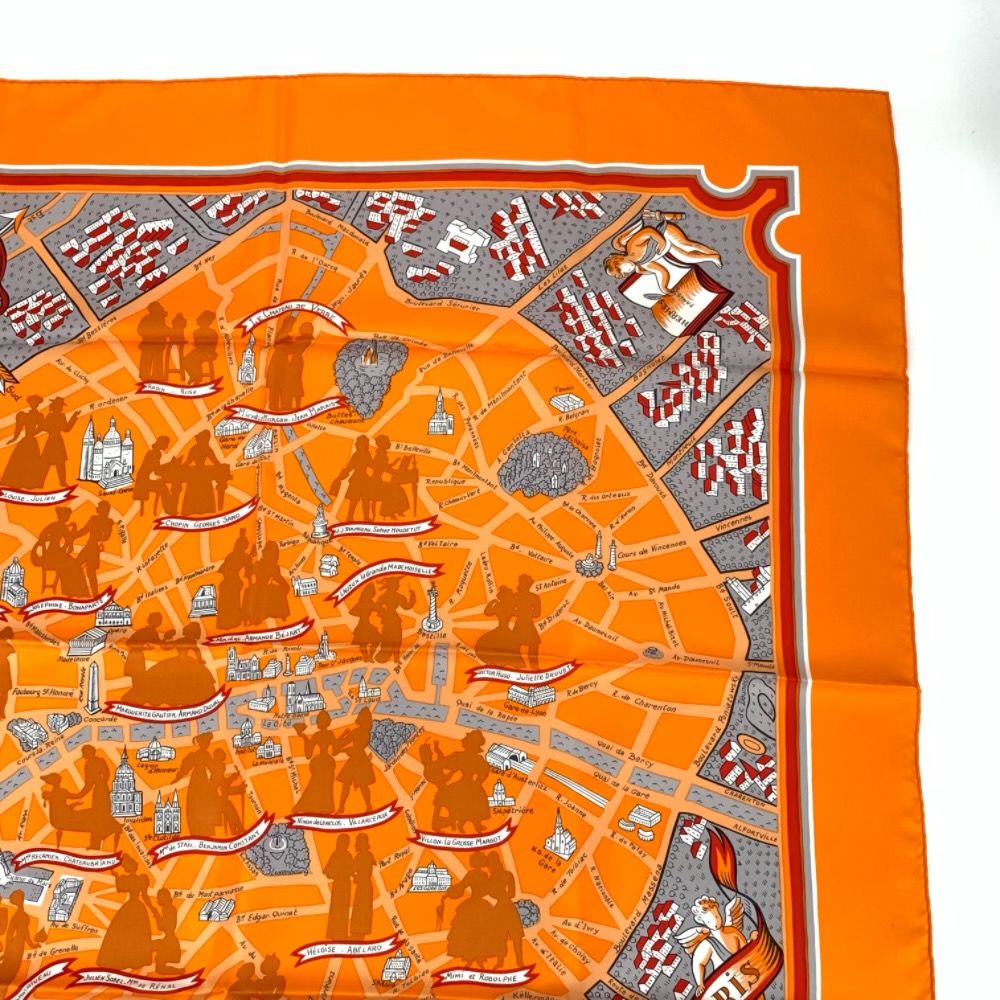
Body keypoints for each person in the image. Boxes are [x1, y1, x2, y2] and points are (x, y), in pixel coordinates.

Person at [97, 855, 154, 970]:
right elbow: (143, 895)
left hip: (133, 907)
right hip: (136, 908)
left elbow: (144, 895)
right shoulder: (138, 879)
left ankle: (133, 959)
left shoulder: (139, 879)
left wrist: (153, 909)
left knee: (134, 933)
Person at [485, 851, 524, 967]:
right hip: (501, 907)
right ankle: (501, 961)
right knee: (500, 936)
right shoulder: (492, 877)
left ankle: (519, 961)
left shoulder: (507, 875)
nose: (490, 866)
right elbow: (490, 892)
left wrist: (500, 895)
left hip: (506, 907)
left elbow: (512, 893)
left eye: (491, 863)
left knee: (516, 936)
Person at [334, 708, 376, 814]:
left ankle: (342, 808)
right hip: (361, 759)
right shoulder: (366, 733)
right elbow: (356, 747)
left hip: (355, 760)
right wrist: (345, 748)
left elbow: (345, 743)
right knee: (362, 785)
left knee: (349, 784)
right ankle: (368, 806)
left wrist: (342, 741)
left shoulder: (357, 731)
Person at [0, 890, 46, 984]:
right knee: (7, 975)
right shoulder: (20, 915)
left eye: (13, 897)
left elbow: (22, 933)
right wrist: (32, 944)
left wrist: (32, 944)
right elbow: (17, 934)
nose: (10, 898)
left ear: (18, 899)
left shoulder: (20, 915)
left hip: (15, 946)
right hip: (15, 946)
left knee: (7, 974)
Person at [1, 394, 44, 489]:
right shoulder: (24, 415)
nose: (34, 404)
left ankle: (29, 482)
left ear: (38, 404)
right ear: (30, 403)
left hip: (31, 440)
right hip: (27, 441)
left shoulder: (39, 416)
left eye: (36, 403)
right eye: (32, 402)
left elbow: (42, 427)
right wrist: (14, 438)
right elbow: (18, 428)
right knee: (19, 461)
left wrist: (34, 432)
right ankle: (17, 481)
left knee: (31, 462)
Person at [38, 398, 78, 488]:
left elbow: (66, 429)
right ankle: (42, 482)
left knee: (57, 462)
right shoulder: (57, 416)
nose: (61, 407)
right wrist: (74, 417)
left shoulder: (56, 416)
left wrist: (74, 417)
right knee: (50, 462)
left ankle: (58, 481)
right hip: (56, 440)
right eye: (61, 406)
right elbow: (66, 429)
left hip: (53, 440)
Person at [323, 833, 354, 940]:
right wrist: (337, 873)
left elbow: (352, 870)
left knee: (343, 909)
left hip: (344, 885)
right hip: (340, 885)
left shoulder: (347, 855)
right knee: (337, 909)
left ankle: (341, 934)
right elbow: (327, 871)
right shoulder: (336, 854)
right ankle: (335, 933)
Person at [349, 833, 375, 941]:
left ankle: (359, 934)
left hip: (363, 886)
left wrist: (355, 876)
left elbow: (353, 869)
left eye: (357, 842)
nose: (355, 845)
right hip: (366, 885)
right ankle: (360, 934)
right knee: (363, 910)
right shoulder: (368, 855)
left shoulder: (361, 856)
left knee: (361, 910)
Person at [0, 626, 13, 719]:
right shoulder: (6, 644)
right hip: (3, 666)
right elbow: (13, 650)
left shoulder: (7, 644)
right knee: (4, 692)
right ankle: (1, 712)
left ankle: (1, 712)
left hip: (4, 667)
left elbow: (13, 650)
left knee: (4, 691)